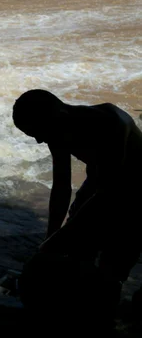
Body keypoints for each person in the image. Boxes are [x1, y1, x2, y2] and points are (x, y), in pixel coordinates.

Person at [12, 89, 142, 321]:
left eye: (37, 133)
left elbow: (108, 196)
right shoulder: (56, 129)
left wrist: (58, 241)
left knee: (115, 257)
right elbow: (61, 187)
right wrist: (50, 238)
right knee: (74, 246)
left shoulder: (111, 122)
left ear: (57, 114)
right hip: (101, 179)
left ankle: (103, 320)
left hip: (135, 187)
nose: (40, 140)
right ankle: (78, 300)